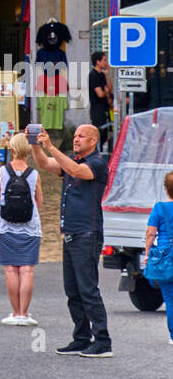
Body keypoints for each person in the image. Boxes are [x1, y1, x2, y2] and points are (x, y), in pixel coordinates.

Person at [30, 124, 112, 357]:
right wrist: (35, 144)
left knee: (88, 289)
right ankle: (81, 337)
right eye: (75, 136)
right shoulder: (71, 163)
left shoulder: (96, 163)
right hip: (71, 233)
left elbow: (76, 171)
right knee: (73, 290)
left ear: (93, 141)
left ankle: (103, 340)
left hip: (88, 232)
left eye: (81, 136)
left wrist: (51, 146)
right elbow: (46, 164)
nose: (76, 139)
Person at [0, 132, 43, 325]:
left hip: (5, 226)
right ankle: (24, 313)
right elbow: (38, 202)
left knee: (11, 270)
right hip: (30, 227)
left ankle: (15, 313)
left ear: (12, 150)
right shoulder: (34, 174)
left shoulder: (2, 171)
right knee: (27, 271)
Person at [143, 169, 173, 346]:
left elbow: (150, 233)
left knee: (169, 298)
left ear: (166, 188)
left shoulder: (159, 208)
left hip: (166, 256)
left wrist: (148, 254)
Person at [88, 52, 114, 151]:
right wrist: (106, 92)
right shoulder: (93, 75)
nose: (106, 62)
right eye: (104, 60)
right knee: (99, 133)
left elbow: (110, 89)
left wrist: (107, 75)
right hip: (97, 109)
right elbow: (100, 94)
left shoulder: (102, 75)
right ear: (97, 62)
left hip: (105, 108)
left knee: (106, 133)